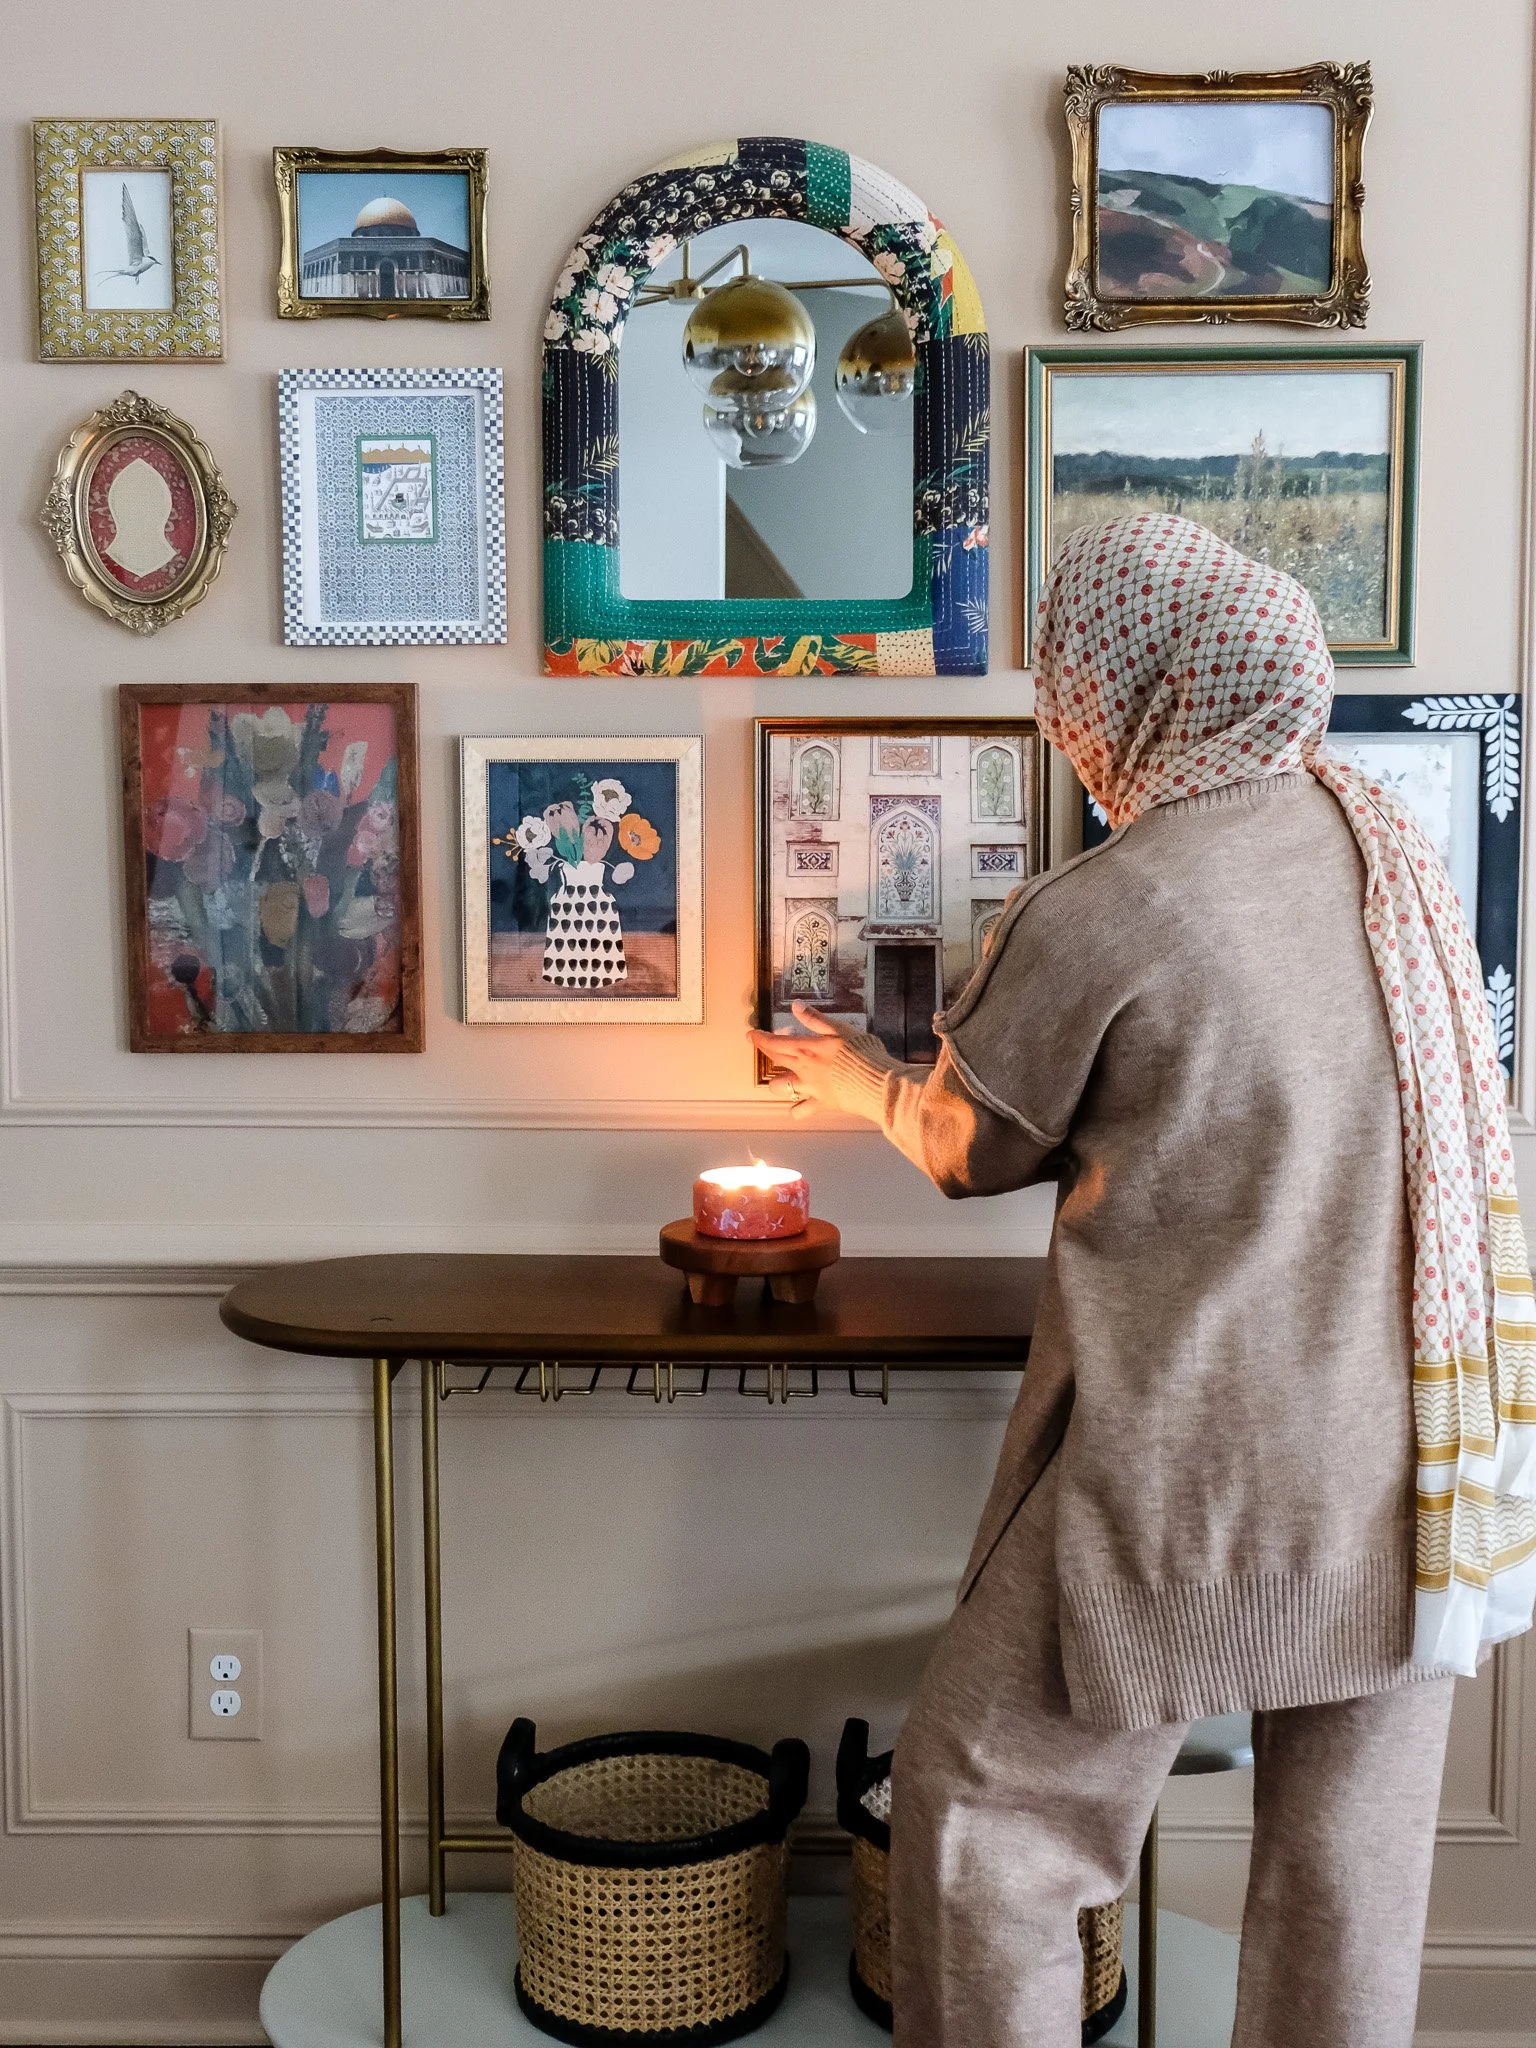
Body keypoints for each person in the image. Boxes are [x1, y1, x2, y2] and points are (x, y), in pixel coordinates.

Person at [750, 515, 1536, 2048]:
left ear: (1128, 687)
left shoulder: (1121, 900)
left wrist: (854, 1080)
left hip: (1205, 1457)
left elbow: (971, 1144)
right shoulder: (1385, 842)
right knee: (1346, 1871)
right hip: (1424, 1453)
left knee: (984, 1819)